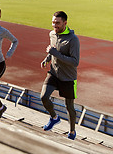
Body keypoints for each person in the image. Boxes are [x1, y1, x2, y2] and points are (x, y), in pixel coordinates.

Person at [40, 11, 80, 140]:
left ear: (65, 23)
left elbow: (75, 62)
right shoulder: (52, 34)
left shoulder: (73, 40)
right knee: (44, 96)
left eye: (57, 23)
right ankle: (54, 117)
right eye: (53, 22)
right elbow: (53, 50)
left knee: (69, 107)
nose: (54, 25)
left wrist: (54, 53)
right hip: (54, 73)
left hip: (68, 77)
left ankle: (72, 131)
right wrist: (47, 58)